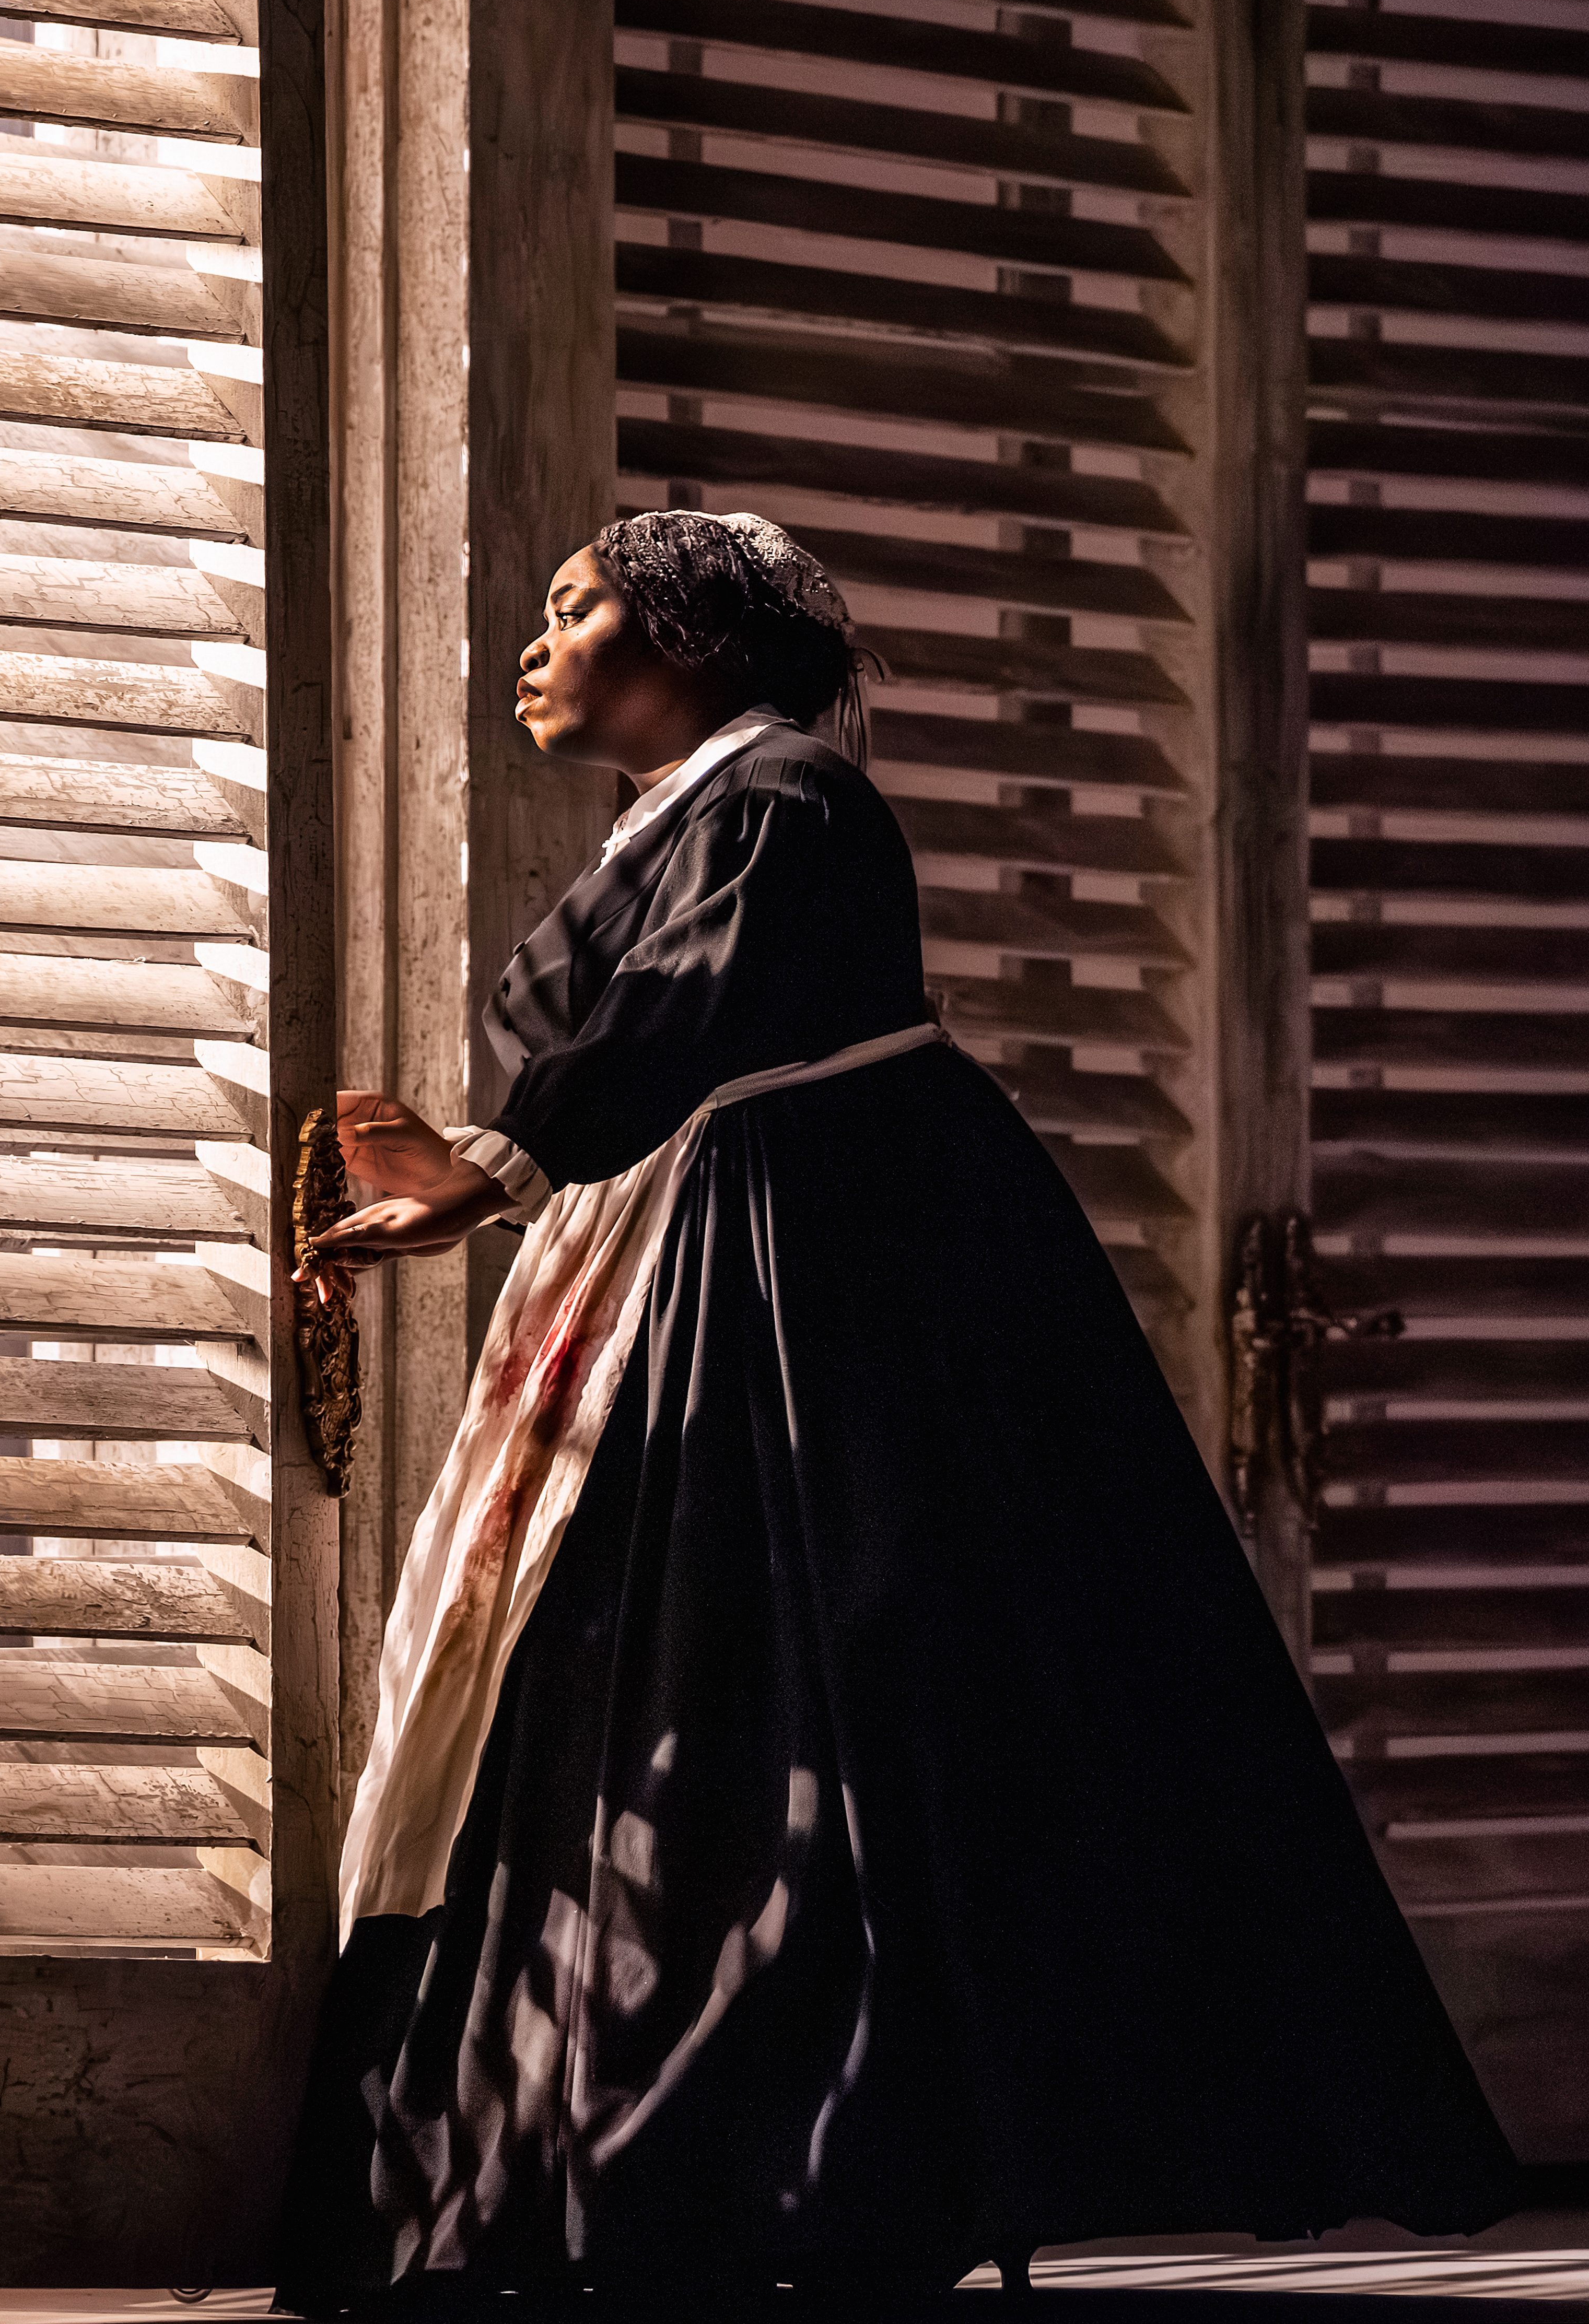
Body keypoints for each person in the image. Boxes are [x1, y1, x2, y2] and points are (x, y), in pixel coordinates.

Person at [271, 511, 1516, 2314]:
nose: (533, 650)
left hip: (816, 1270)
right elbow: (645, 1031)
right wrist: (478, 1159)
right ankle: (648, 2155)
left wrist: (492, 1171)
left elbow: (692, 1020)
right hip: (734, 1229)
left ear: (690, 636)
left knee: (794, 1672)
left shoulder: (784, 797)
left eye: (574, 612)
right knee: (680, 1678)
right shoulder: (708, 810)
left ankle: (786, 2163)